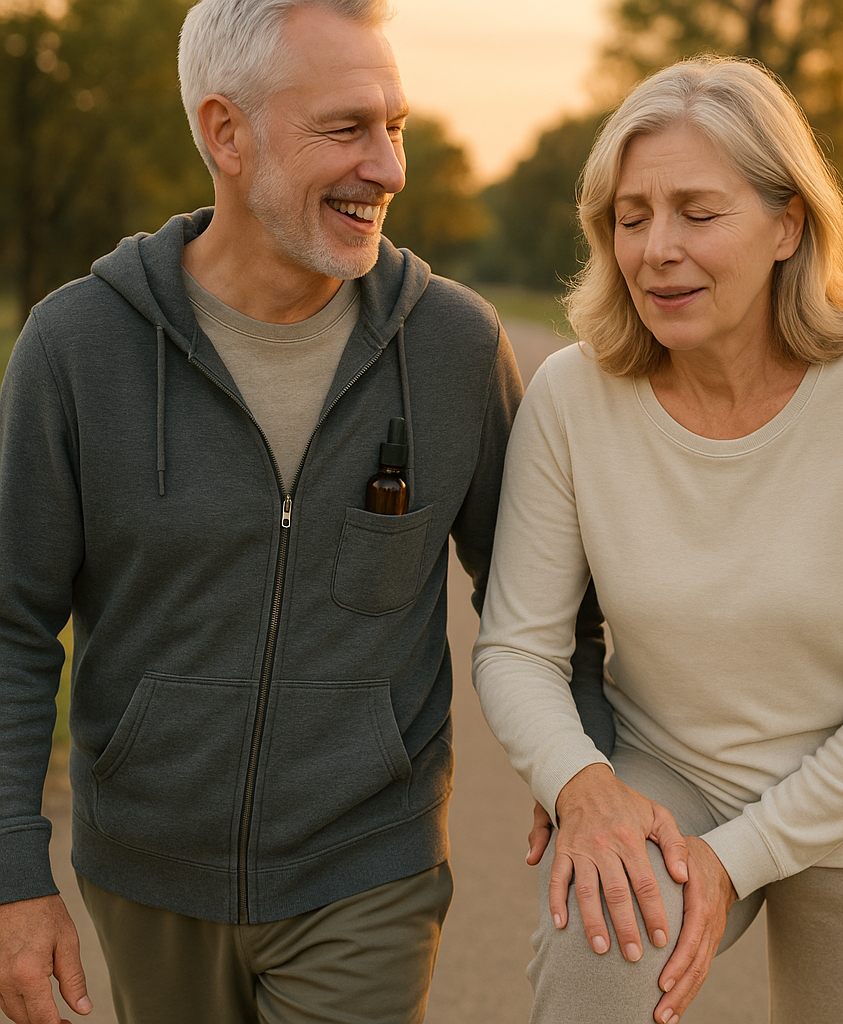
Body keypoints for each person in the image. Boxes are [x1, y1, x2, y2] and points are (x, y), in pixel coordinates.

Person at [0, 2, 610, 1023]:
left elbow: (542, 601)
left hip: (366, 865)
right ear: (225, 133)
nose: (388, 167)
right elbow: (12, 628)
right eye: (345, 129)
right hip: (144, 871)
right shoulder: (75, 349)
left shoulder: (451, 347)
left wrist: (584, 774)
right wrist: (15, 873)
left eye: (395, 126)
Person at [473, 55, 843, 1024]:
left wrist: (734, 858)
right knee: (593, 966)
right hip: (673, 778)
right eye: (631, 217)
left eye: (697, 214)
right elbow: (517, 646)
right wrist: (580, 783)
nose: (656, 247)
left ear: (787, 222)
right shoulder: (573, 399)